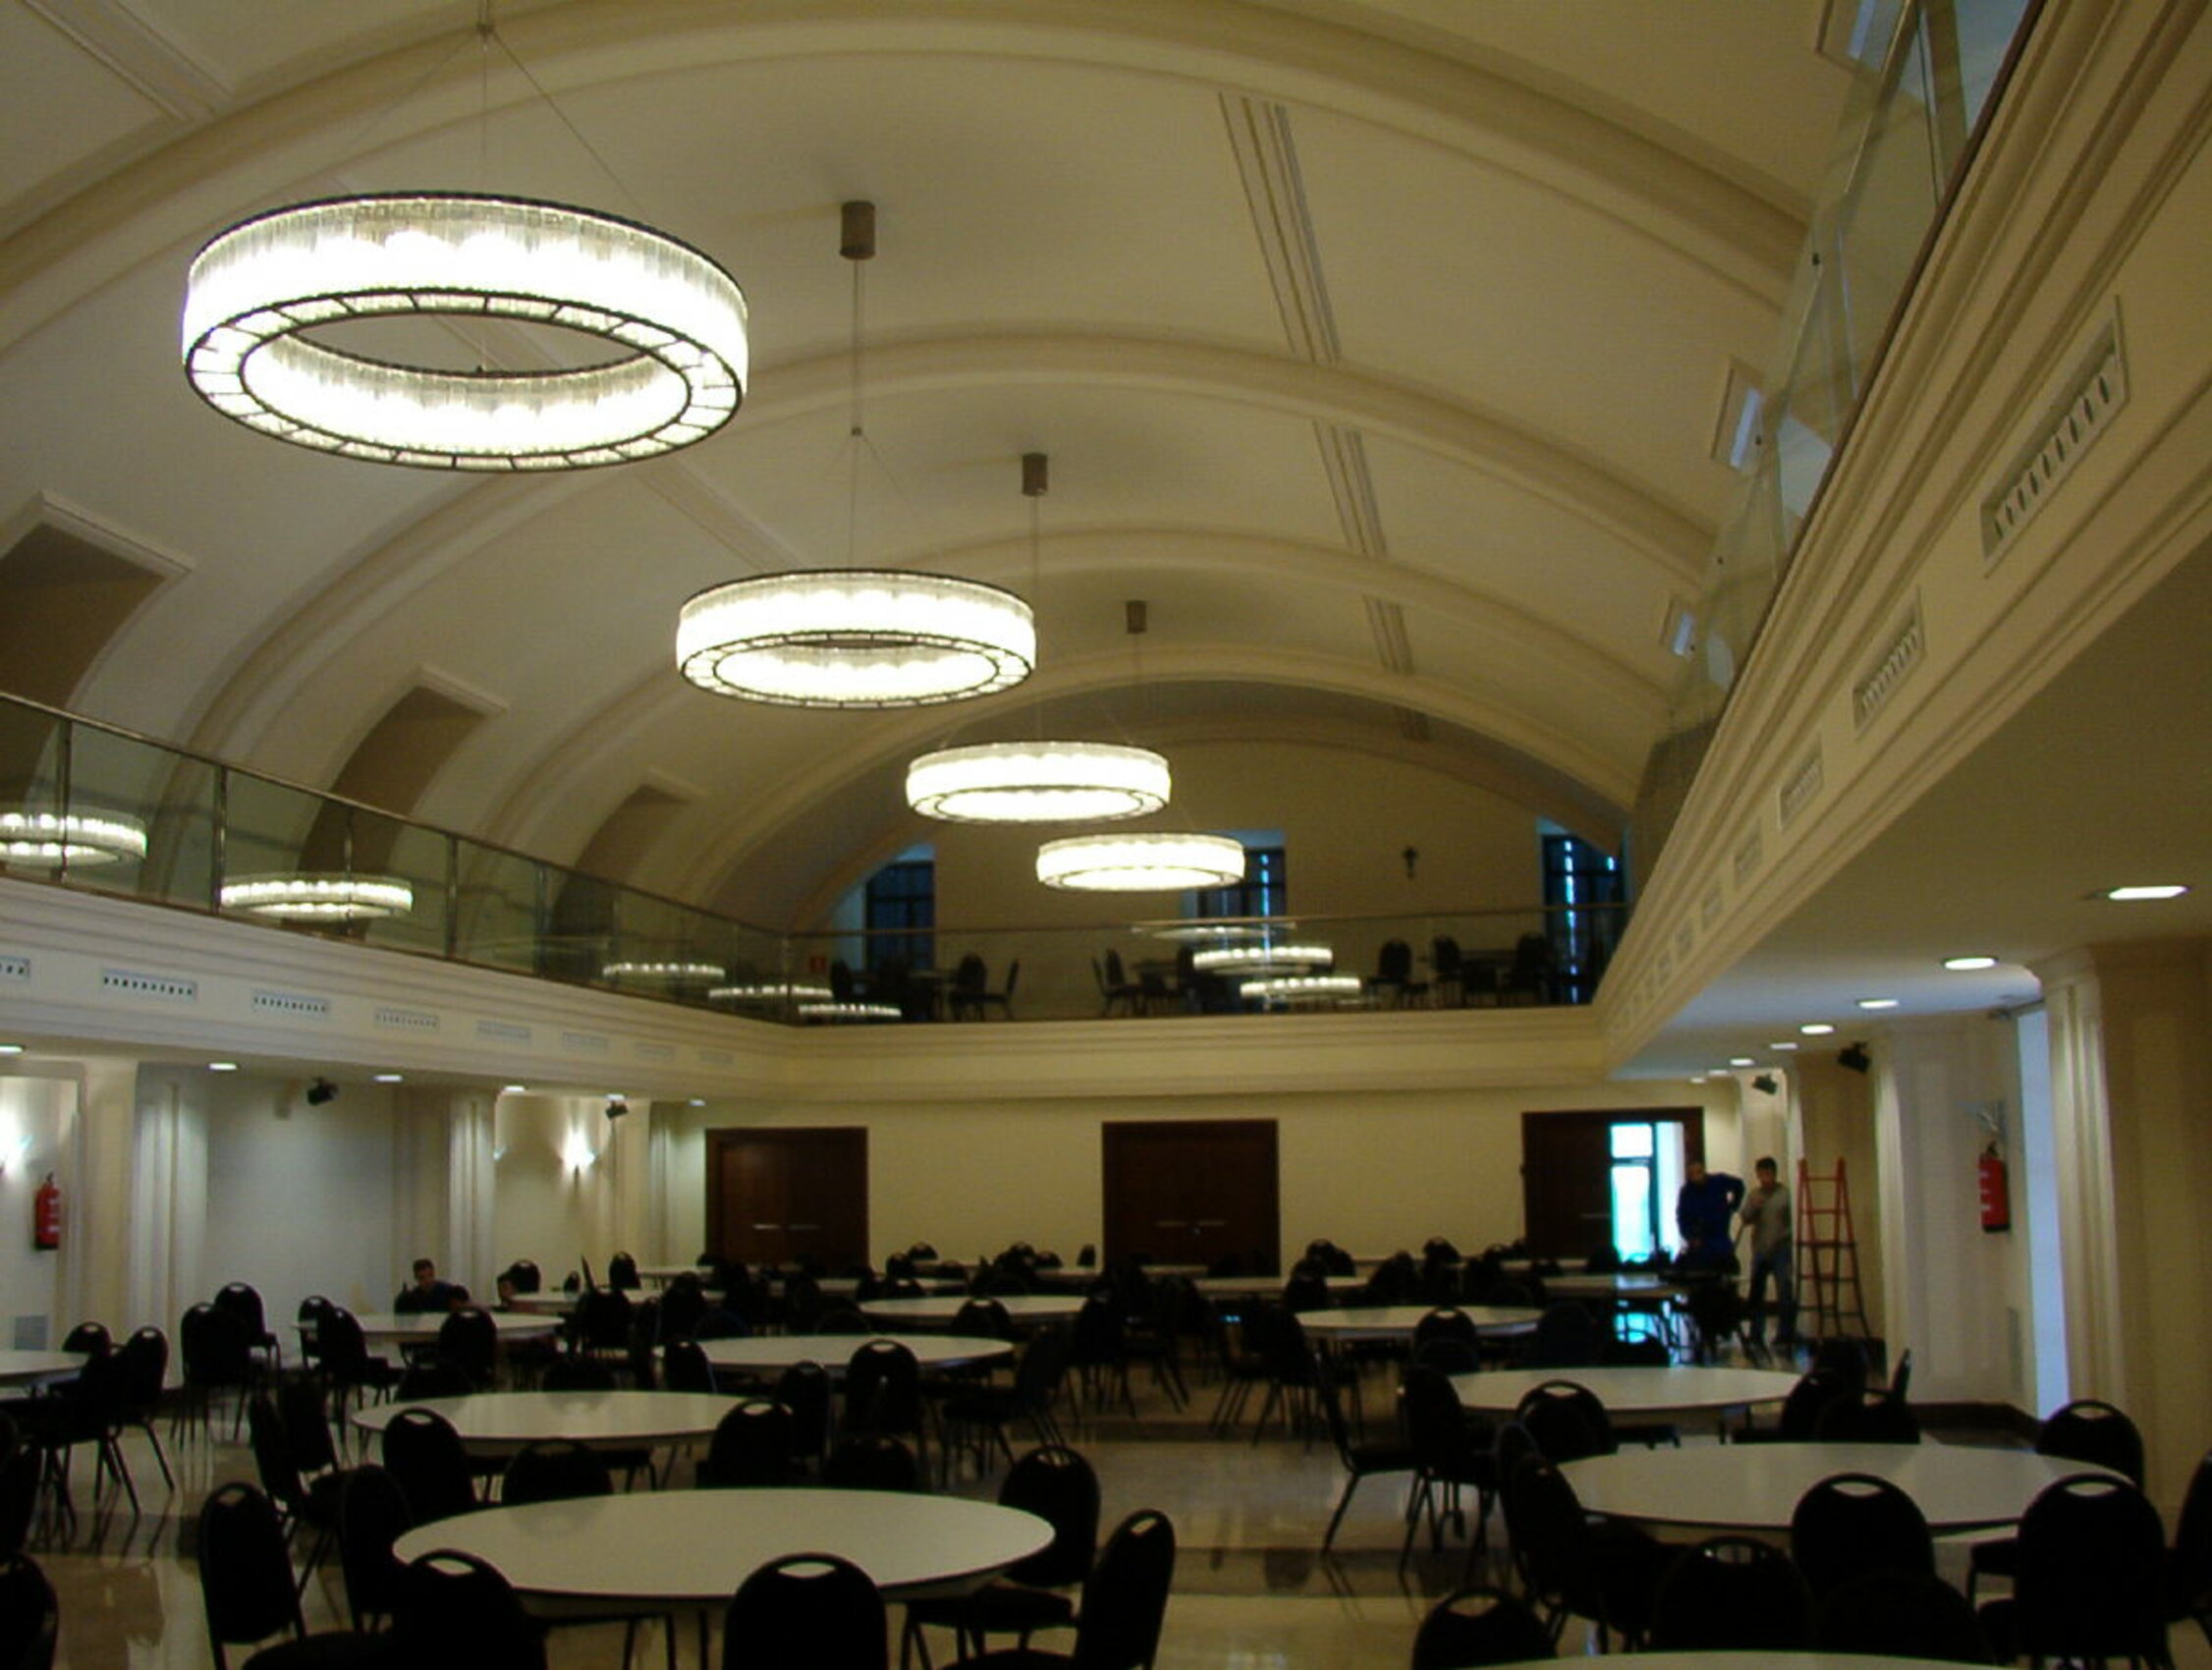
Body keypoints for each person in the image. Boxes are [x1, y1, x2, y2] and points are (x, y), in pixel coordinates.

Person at [1739, 1155, 1797, 1348]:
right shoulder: (1755, 1195)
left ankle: (1785, 1333)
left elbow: (1792, 1222)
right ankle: (1756, 1333)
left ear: (1774, 1174)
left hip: (1781, 1249)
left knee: (1784, 1292)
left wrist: (1784, 1238)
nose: (1765, 1178)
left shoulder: (1785, 1195)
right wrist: (1753, 1207)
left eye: (1768, 1174)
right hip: (1760, 1250)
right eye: (1761, 1174)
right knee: (1757, 1293)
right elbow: (1745, 1218)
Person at [1674, 1158, 1744, 1270]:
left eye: (1698, 1172)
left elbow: (1739, 1185)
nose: (1696, 1177)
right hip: (1700, 1240)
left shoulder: (1718, 1181)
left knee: (1726, 1265)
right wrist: (1690, 1237)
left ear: (1703, 1171)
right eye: (1692, 1174)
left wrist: (1733, 1206)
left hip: (1720, 1235)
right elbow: (1682, 1217)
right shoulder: (1687, 1192)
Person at [394, 1256, 467, 1313]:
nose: (427, 1281)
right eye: (422, 1278)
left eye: (430, 1276)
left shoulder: (447, 1290)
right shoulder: (413, 1297)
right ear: (416, 1278)